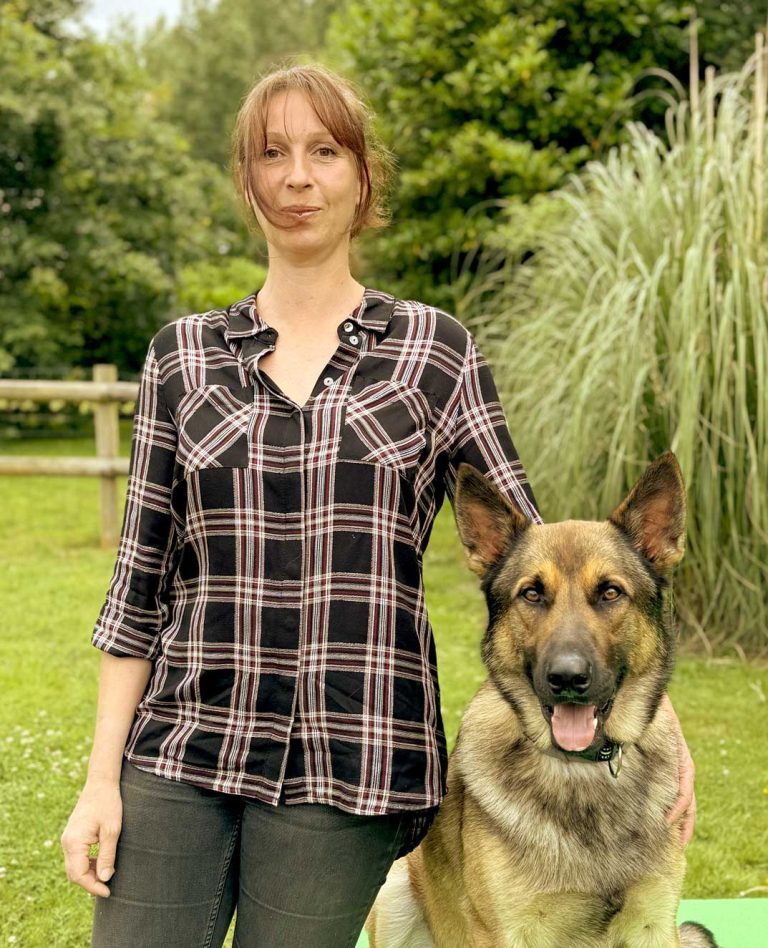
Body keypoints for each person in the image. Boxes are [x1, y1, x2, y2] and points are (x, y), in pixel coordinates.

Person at [60, 63, 695, 948]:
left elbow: (550, 564)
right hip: (183, 743)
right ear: (246, 181)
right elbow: (138, 591)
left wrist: (652, 725)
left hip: (350, 761)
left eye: (324, 151)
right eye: (271, 154)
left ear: (363, 178)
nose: (296, 177)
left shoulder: (436, 352)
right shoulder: (182, 358)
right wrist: (100, 780)